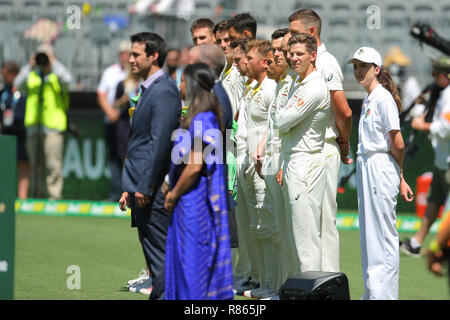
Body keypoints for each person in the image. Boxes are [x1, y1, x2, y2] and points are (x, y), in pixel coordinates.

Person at [346, 46, 414, 300]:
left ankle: (383, 296)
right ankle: (373, 293)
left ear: (377, 69)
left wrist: (399, 174)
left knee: (382, 236)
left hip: (379, 166)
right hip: (369, 165)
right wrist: (401, 177)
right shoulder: (370, 97)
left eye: (363, 66)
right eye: (355, 66)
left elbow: (397, 143)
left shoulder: (383, 98)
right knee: (370, 235)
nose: (358, 71)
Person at [289, 9, 353, 272]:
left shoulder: (325, 62)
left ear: (311, 32)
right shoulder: (309, 62)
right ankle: (319, 279)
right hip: (312, 145)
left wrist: (344, 141)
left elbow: (344, 110)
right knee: (311, 219)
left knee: (325, 219)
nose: (290, 38)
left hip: (325, 145)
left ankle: (328, 280)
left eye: (295, 32)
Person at [119, 32, 181, 300]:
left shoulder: (164, 91)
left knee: (160, 256)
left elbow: (159, 145)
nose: (130, 59)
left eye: (136, 54)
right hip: (142, 188)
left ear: (153, 56)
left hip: (153, 191)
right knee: (154, 255)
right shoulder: (149, 89)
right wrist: (129, 187)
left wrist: (143, 185)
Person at [164, 63, 234, 300]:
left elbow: (194, 166)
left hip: (195, 201)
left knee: (192, 264)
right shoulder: (197, 118)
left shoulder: (203, 119)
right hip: (187, 200)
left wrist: (173, 194)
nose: (179, 86)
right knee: (183, 260)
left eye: (183, 81)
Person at [274, 33, 330, 275]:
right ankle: (300, 288)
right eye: (292, 53)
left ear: (313, 56)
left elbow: (281, 120)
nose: (294, 58)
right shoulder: (298, 81)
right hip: (293, 160)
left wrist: (283, 115)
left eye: (300, 54)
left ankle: (311, 290)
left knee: (305, 236)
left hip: (305, 162)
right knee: (295, 233)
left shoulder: (314, 86)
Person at [255, 28, 299, 284]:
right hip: (270, 159)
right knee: (274, 229)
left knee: (289, 232)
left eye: (283, 50)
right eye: (276, 51)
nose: (278, 55)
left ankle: (287, 284)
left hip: (285, 161)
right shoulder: (281, 84)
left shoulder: (293, 83)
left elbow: (285, 128)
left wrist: (281, 161)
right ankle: (277, 283)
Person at [400, 56, 450, 258]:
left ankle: (441, 247)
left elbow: (446, 128)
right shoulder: (443, 94)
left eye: (436, 74)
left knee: (445, 207)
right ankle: (416, 242)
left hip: (448, 161)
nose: (434, 78)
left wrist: (423, 125)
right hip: (442, 160)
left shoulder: (449, 94)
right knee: (434, 200)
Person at [14, 43, 72, 200]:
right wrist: (29, 65)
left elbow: (69, 79)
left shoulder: (56, 75)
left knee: (53, 164)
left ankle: (54, 196)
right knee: (35, 165)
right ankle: (36, 195)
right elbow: (17, 84)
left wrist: (53, 62)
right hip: (34, 125)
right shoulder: (32, 74)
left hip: (53, 126)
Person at [97, 40, 131, 202]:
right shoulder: (110, 72)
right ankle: (115, 191)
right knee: (113, 158)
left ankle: (127, 192)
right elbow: (102, 94)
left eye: (128, 53)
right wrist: (112, 113)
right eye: (123, 54)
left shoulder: (135, 74)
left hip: (128, 122)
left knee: (126, 157)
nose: (125, 57)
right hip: (113, 120)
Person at [0, 62, 29, 199]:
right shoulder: (3, 92)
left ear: (13, 75)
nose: (4, 78)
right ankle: (5, 195)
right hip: (6, 133)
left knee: (22, 163)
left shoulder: (22, 91)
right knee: (5, 165)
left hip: (21, 132)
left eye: (5, 75)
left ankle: (22, 197)